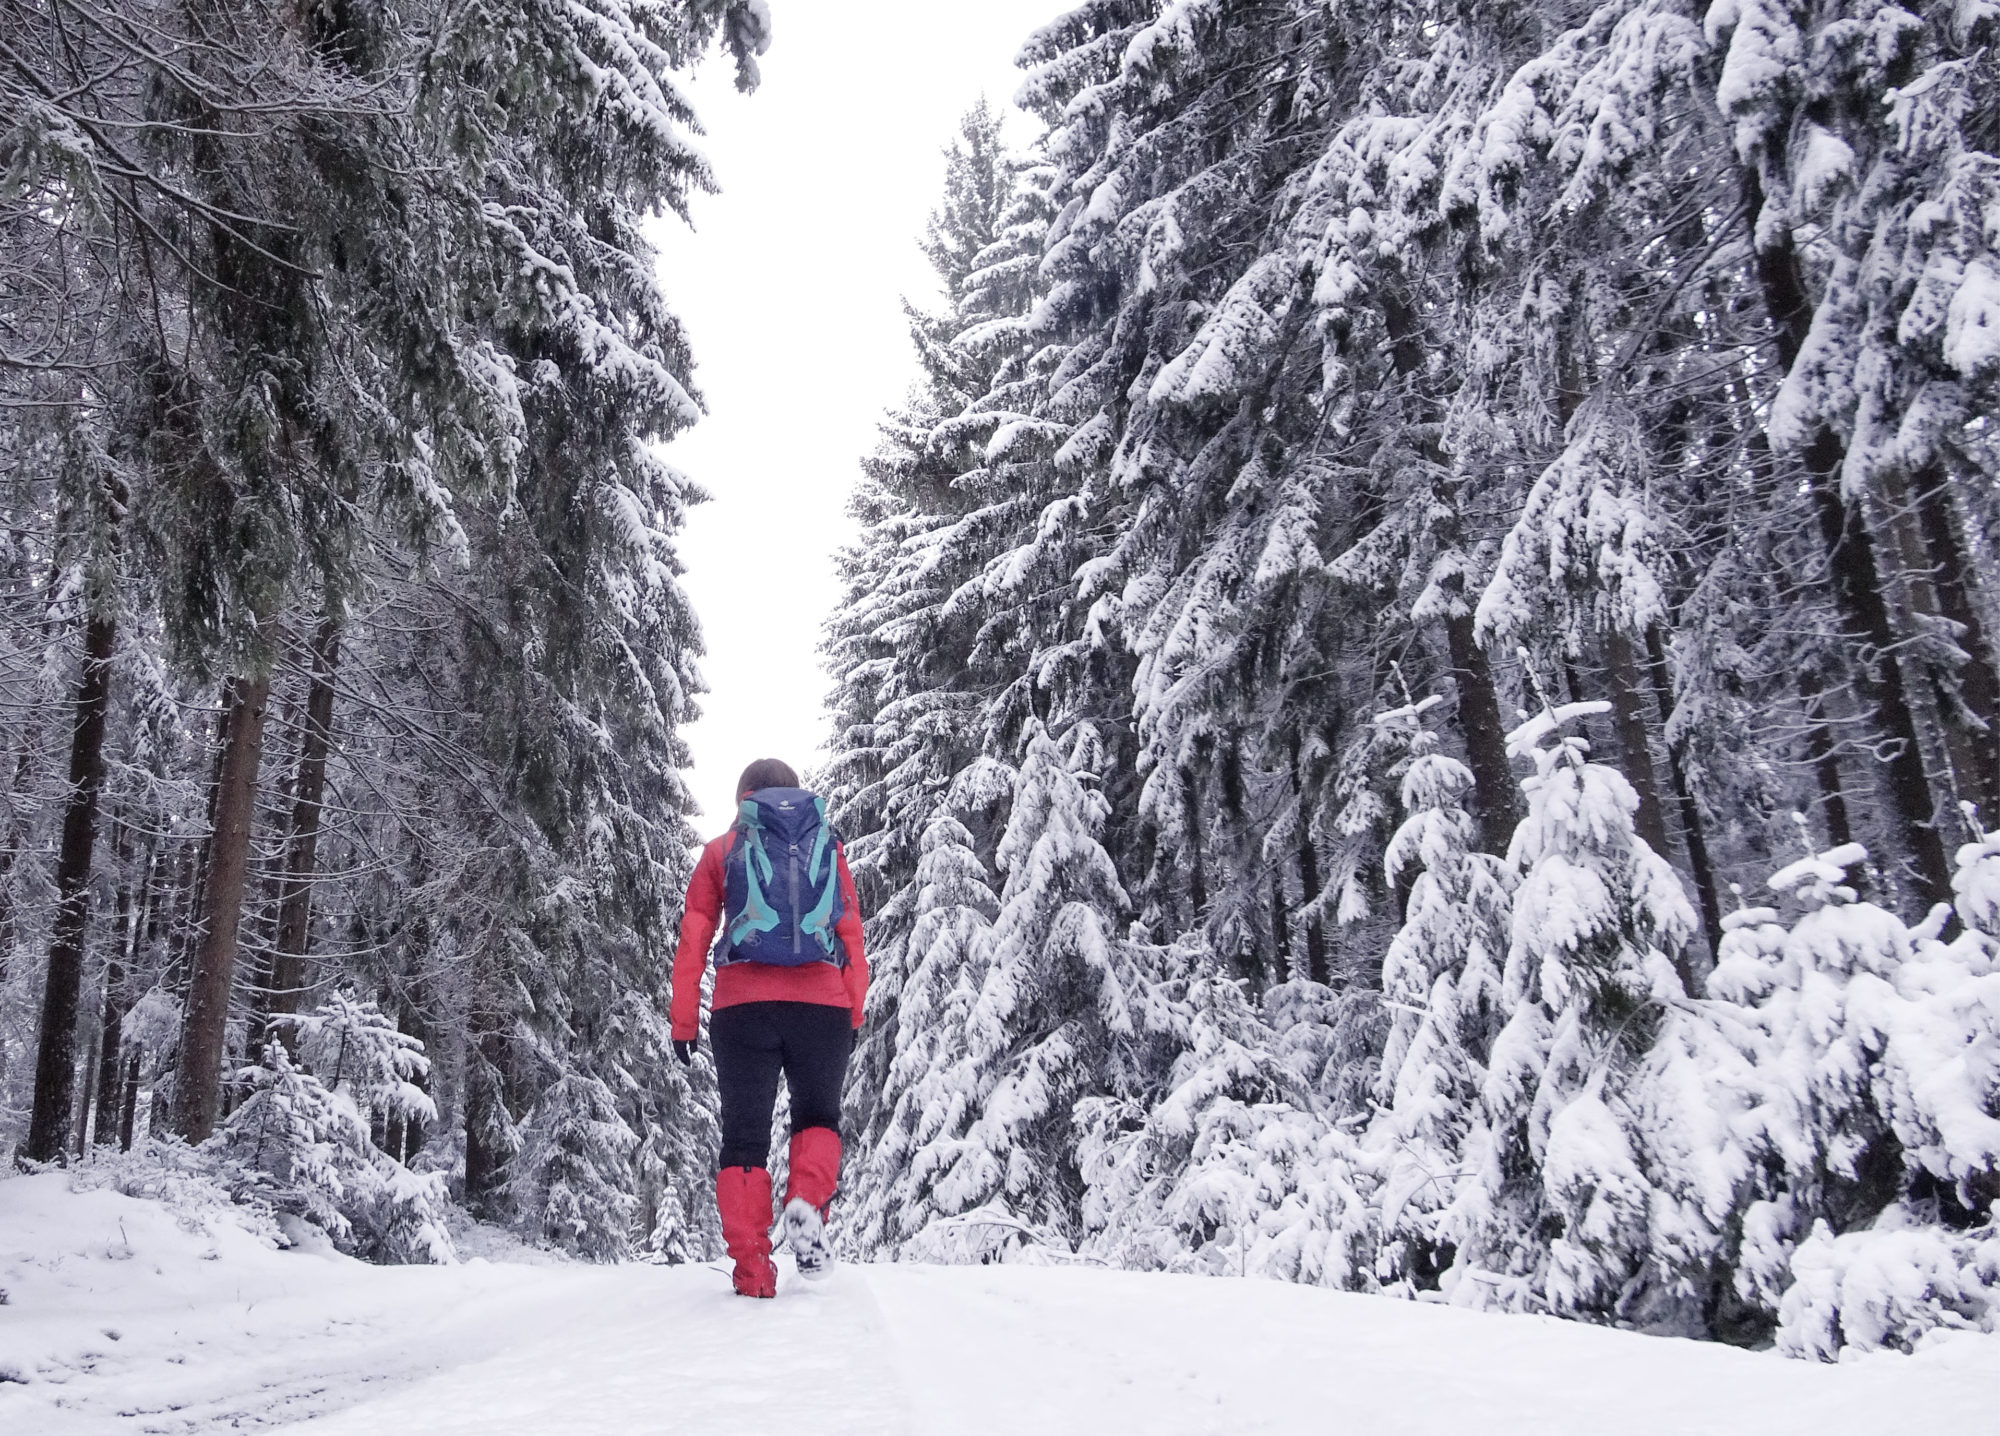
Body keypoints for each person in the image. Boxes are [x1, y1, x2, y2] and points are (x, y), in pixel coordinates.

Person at [670, 758, 868, 1297]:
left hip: (742, 1008)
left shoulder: (721, 850)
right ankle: (807, 1202)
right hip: (822, 1005)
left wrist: (684, 1019)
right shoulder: (828, 848)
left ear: (744, 800)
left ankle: (753, 1269)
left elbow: (695, 935)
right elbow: (850, 933)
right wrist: (852, 1010)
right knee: (817, 1118)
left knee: (744, 1138)